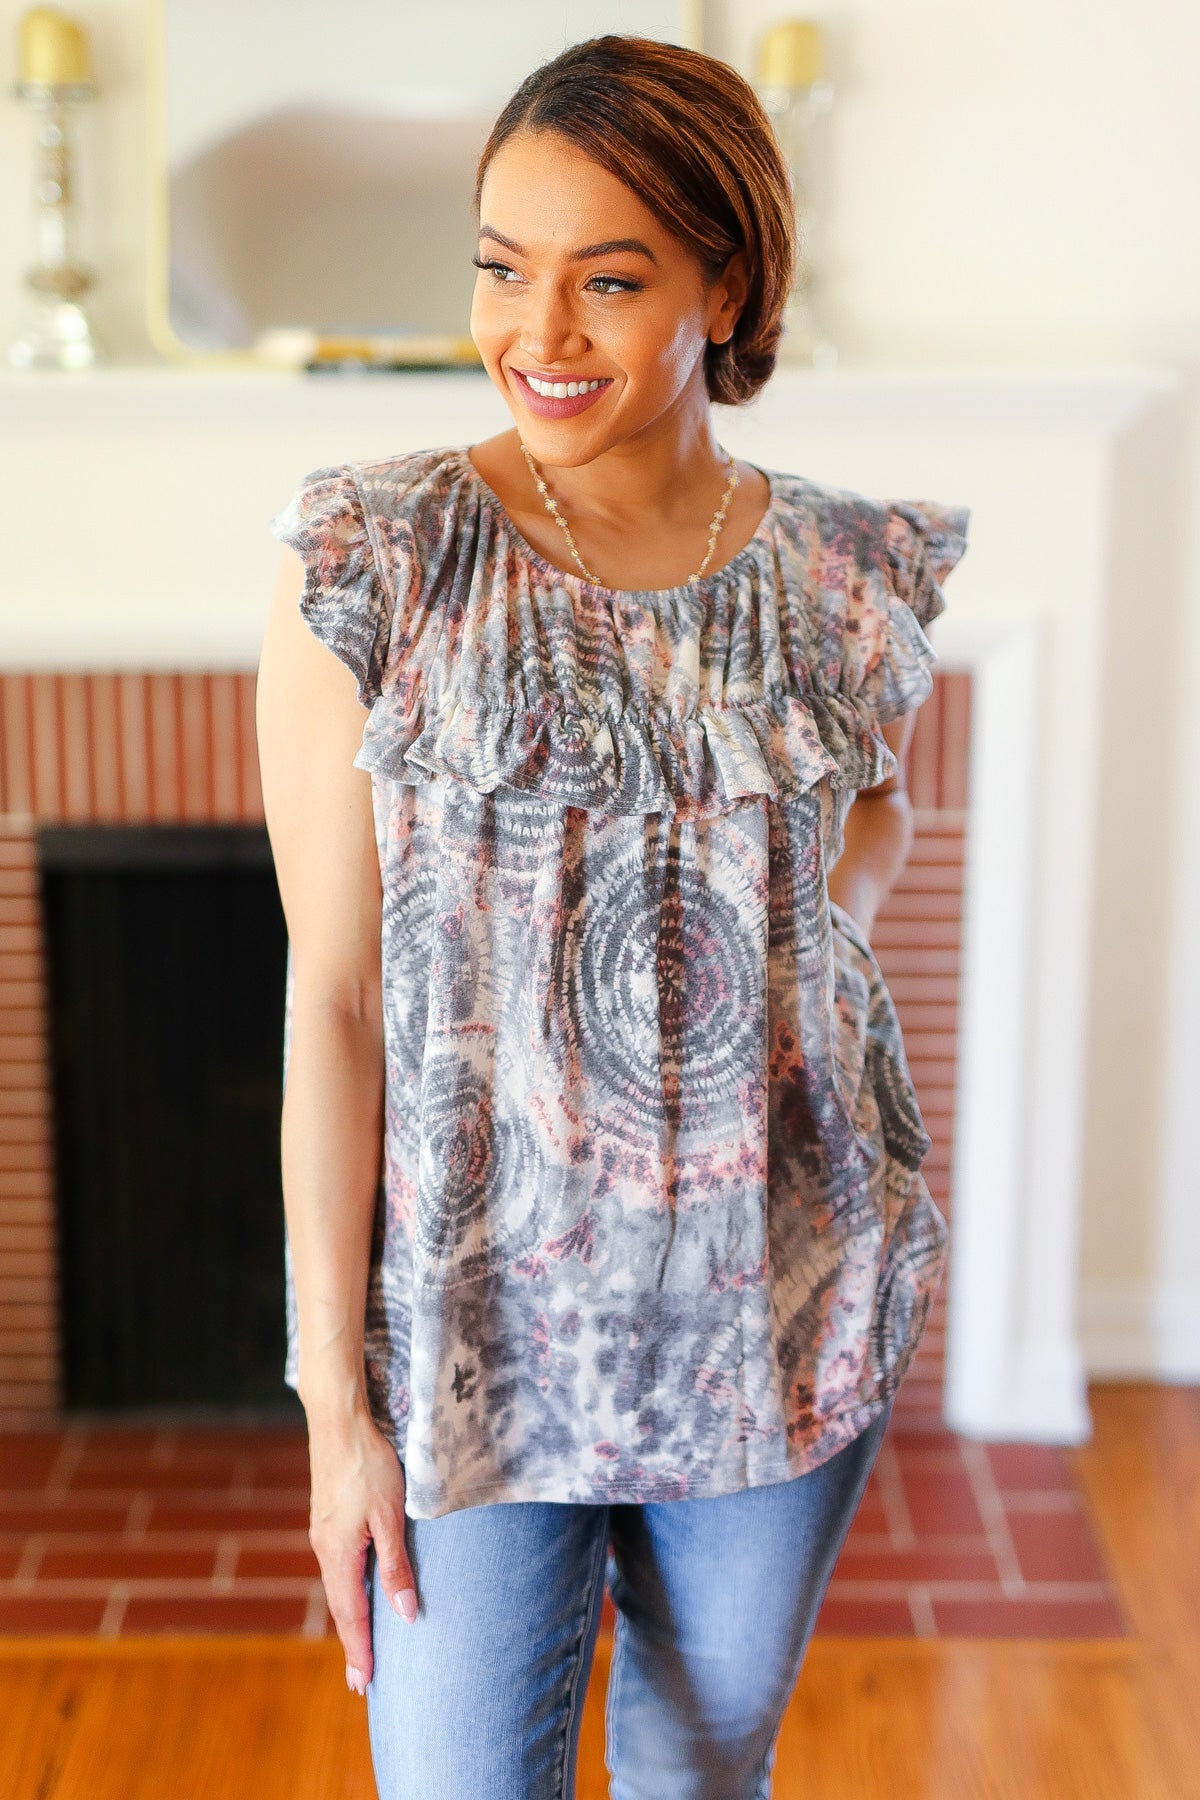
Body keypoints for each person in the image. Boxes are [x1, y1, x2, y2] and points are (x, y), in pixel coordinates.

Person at [255, 33, 969, 1800]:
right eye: (504, 268)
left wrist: (807, 936)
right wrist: (337, 1408)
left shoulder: (838, 572)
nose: (538, 331)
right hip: (472, 1337)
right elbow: (333, 996)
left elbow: (882, 806)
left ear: (729, 287)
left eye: (610, 279)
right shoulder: (380, 557)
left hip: (780, 1298)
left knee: (700, 1771)